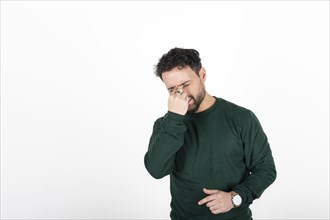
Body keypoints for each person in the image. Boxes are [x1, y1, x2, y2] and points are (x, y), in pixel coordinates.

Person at [144, 48, 276, 220]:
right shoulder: (166, 125)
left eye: (185, 84)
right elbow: (156, 170)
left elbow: (265, 169)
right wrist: (175, 118)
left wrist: (235, 197)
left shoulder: (242, 118)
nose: (181, 94)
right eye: (172, 89)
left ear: (202, 75)